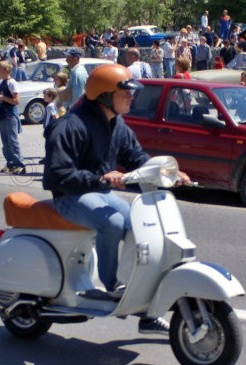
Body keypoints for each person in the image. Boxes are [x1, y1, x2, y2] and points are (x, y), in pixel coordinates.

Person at [42, 64, 190, 333]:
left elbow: (136, 157)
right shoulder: (70, 125)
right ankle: (112, 286)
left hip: (99, 194)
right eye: (126, 93)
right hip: (71, 196)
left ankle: (144, 305)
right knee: (111, 224)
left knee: (141, 226)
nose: (132, 97)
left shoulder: (116, 124)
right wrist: (99, 179)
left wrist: (167, 172)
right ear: (104, 95)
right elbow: (57, 174)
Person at [0, 61, 25, 175]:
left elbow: (16, 101)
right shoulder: (1, 82)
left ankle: (19, 164)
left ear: (7, 70)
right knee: (5, 141)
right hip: (2, 114)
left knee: (13, 141)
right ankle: (10, 163)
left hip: (10, 114)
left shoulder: (12, 83)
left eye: (0, 70)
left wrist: (3, 97)